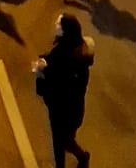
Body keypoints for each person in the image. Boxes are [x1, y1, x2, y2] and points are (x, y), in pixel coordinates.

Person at [34, 13, 94, 168]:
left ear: (65, 31)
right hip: (73, 111)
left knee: (59, 144)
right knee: (65, 140)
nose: (55, 25)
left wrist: (40, 70)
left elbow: (54, 82)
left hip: (62, 111)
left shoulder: (64, 56)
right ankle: (82, 157)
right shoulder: (75, 53)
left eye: (59, 24)